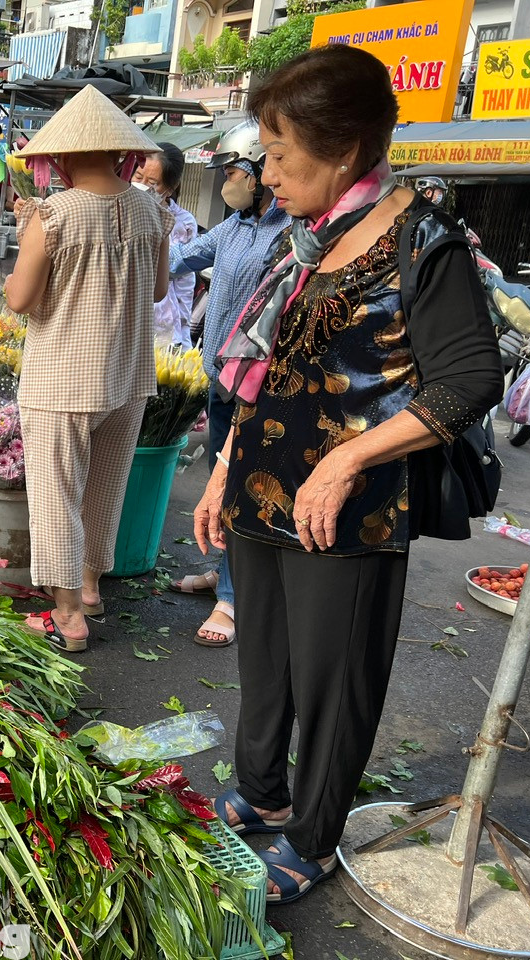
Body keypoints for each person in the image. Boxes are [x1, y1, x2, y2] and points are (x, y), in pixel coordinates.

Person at [195, 45, 502, 904]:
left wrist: (349, 458)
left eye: (283, 155)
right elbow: (271, 367)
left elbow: (471, 376)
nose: (268, 172)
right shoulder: (311, 237)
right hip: (264, 485)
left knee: (334, 679)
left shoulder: (423, 240)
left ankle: (315, 834)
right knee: (267, 657)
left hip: (352, 507)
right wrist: (224, 468)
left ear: (345, 149)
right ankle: (261, 790)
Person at [3, 85, 172, 653]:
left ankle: (69, 616)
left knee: (57, 495)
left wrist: (11, 272)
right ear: (119, 152)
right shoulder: (152, 209)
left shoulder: (54, 214)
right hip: (127, 378)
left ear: (65, 156)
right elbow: (158, 290)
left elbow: (20, 298)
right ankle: (92, 587)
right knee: (103, 491)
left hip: (63, 379)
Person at [167, 119, 292, 647]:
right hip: (221, 379)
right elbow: (179, 259)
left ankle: (233, 600)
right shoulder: (232, 228)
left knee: (240, 488)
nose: (228, 181)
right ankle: (223, 574)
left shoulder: (288, 233)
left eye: (236, 170)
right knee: (217, 488)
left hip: (258, 385)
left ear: (263, 172)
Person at [133, 143, 198, 347]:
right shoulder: (118, 210)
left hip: (161, 323)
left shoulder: (183, 223)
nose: (142, 185)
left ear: (169, 188)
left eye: (152, 182)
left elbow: (185, 283)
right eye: (137, 176)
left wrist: (184, 330)